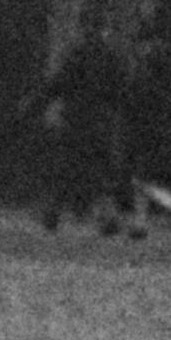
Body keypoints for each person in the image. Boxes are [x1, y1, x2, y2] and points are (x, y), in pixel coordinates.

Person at [33, 12, 139, 233]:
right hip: (102, 122)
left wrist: (36, 104)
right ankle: (106, 217)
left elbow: (57, 84)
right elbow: (124, 92)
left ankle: (53, 213)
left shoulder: (76, 55)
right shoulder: (112, 57)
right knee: (103, 172)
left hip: (75, 120)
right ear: (105, 29)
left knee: (65, 169)